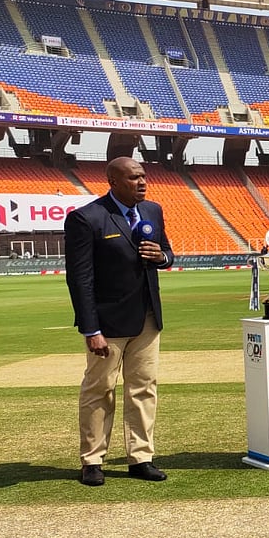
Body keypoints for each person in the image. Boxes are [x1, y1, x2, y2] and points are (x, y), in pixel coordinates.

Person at [64, 157, 174, 486]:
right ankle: (93, 460)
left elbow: (167, 253)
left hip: (148, 318)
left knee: (144, 388)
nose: (142, 182)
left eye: (143, 176)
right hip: (108, 324)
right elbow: (80, 279)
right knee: (100, 390)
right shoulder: (87, 218)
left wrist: (162, 257)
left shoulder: (153, 210)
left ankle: (140, 457)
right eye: (133, 178)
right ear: (113, 181)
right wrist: (91, 328)